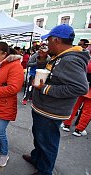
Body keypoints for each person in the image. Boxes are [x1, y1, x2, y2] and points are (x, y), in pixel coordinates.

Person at [23, 24, 90, 175]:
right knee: (39, 138)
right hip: (44, 108)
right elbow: (51, 75)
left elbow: (80, 88)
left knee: (47, 143)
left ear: (56, 40)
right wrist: (41, 59)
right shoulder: (60, 57)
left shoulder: (70, 60)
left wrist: (45, 89)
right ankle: (37, 159)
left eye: (49, 40)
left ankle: (45, 171)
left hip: (51, 111)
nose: (47, 44)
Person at [62, 60, 91, 136]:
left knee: (74, 106)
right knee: (87, 112)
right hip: (87, 90)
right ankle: (79, 130)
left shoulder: (87, 61)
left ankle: (66, 124)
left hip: (81, 86)